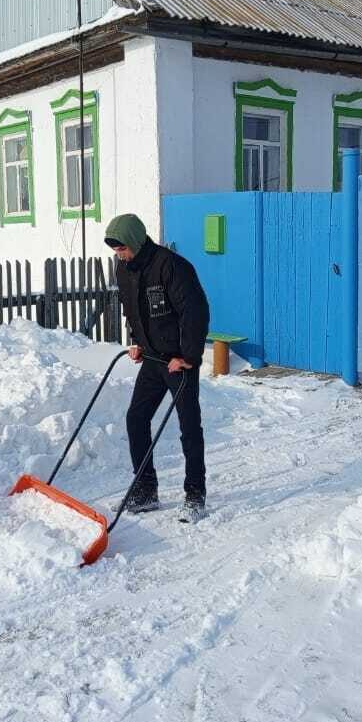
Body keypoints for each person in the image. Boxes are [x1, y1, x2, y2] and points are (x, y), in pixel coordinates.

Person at [105, 213, 210, 523]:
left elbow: (195, 313)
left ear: (136, 241)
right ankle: (146, 490)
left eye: (122, 248)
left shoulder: (171, 266)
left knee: (189, 428)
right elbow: (132, 309)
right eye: (115, 250)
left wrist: (188, 356)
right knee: (136, 418)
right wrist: (136, 340)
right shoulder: (124, 268)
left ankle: (195, 495)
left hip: (179, 362)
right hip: (152, 359)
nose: (118, 254)